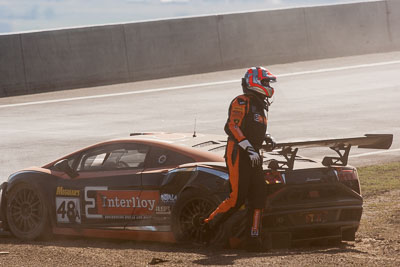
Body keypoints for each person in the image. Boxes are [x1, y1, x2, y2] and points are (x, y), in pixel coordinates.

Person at [203, 66, 277, 250]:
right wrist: (247, 147)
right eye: (266, 82)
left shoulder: (260, 105)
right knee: (237, 198)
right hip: (238, 152)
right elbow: (232, 127)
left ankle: (253, 239)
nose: (268, 85)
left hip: (254, 154)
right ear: (255, 82)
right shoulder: (241, 101)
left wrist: (266, 137)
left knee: (259, 197)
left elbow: (252, 128)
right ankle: (206, 226)